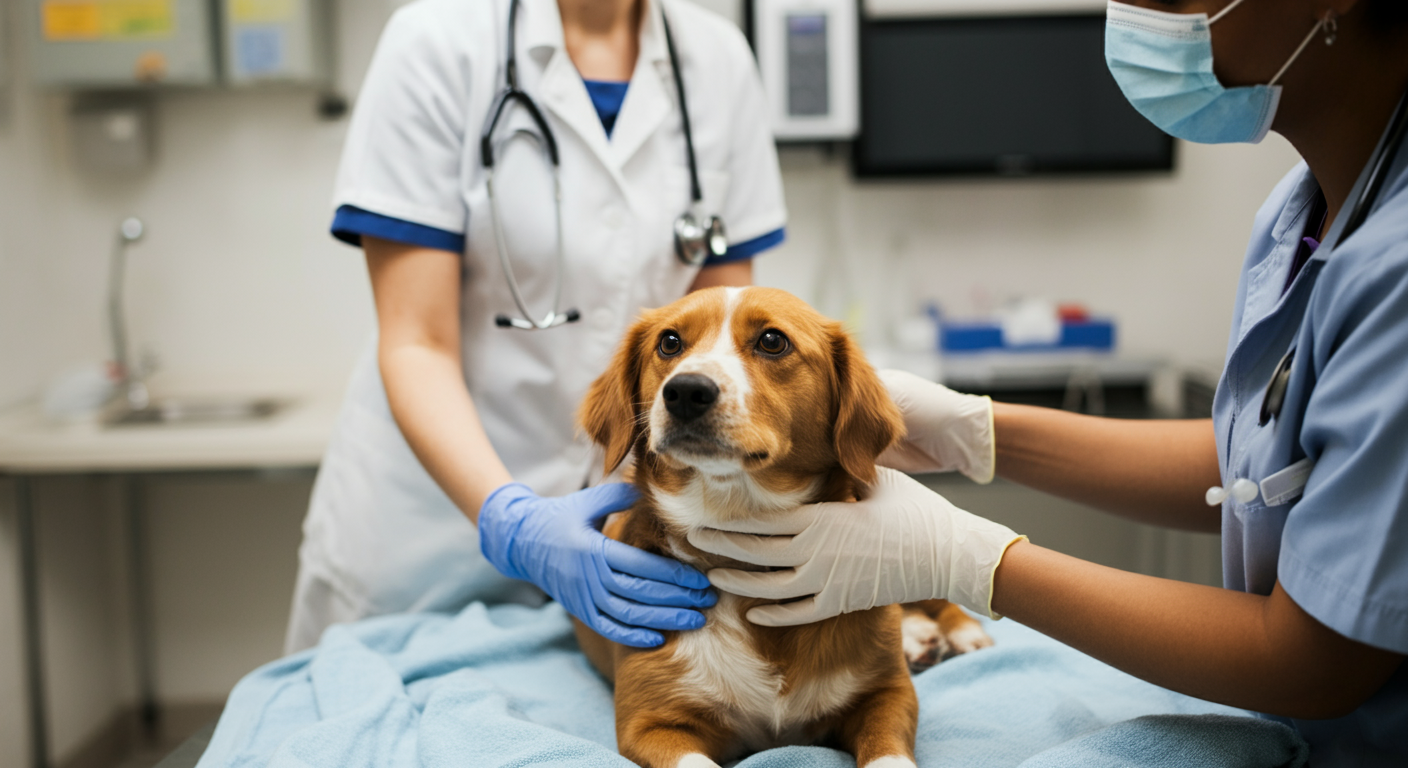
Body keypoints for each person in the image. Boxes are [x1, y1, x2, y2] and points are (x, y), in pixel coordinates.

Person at [688, 0, 1408, 762]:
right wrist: (981, 431)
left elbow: (1315, 664)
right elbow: (1265, 469)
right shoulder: (1299, 210)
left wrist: (966, 558)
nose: (1133, 13)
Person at [284, 0, 786, 653]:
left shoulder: (719, 61)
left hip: (620, 538)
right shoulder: (437, 42)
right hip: (430, 542)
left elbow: (721, 340)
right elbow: (416, 343)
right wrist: (514, 523)